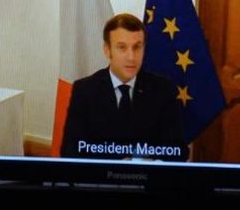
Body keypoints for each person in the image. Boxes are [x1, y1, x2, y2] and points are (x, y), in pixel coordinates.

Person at [60, 13, 186, 161]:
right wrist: (116, 165)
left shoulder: (163, 90)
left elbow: (178, 151)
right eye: (122, 48)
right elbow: (70, 151)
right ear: (107, 50)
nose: (131, 57)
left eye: (137, 47)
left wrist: (150, 164)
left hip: (148, 180)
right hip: (101, 181)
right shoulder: (85, 90)